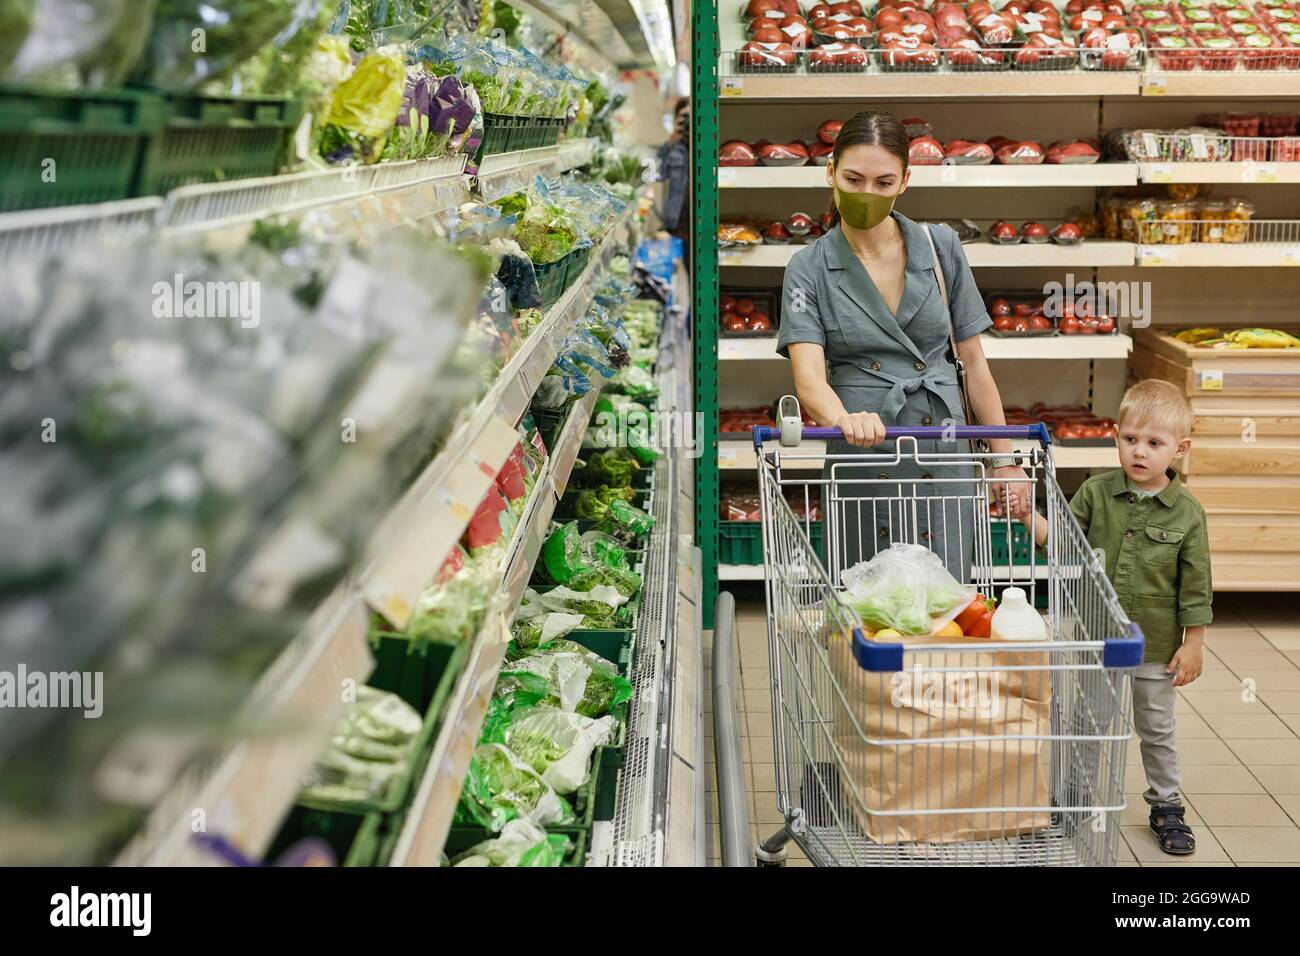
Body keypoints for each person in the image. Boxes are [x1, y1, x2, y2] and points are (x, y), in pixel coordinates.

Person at [777, 110, 1030, 583]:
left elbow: (973, 363)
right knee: (867, 608)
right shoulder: (807, 268)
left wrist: (1004, 460)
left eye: (882, 181)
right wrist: (843, 420)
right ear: (830, 173)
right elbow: (808, 376)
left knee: (945, 607)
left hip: (943, 449)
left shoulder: (941, 247)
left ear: (905, 181)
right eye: (852, 179)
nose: (866, 195)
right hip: (863, 453)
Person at [1019, 379, 1211, 855]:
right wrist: (1025, 512)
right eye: (1130, 439)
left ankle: (1166, 805)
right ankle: (1077, 799)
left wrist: (1195, 642)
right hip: (1096, 638)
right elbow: (1063, 539)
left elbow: (1196, 585)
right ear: (1116, 437)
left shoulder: (1188, 513)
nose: (1139, 452)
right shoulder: (1095, 492)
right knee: (1086, 722)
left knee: (1157, 729)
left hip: (1157, 645)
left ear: (1179, 449)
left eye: (1154, 443)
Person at [656, 97, 690, 266]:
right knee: (679, 271)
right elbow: (655, 175)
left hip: (701, 219)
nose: (688, 122)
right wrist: (670, 143)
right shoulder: (674, 147)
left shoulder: (706, 143)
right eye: (683, 117)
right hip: (677, 220)